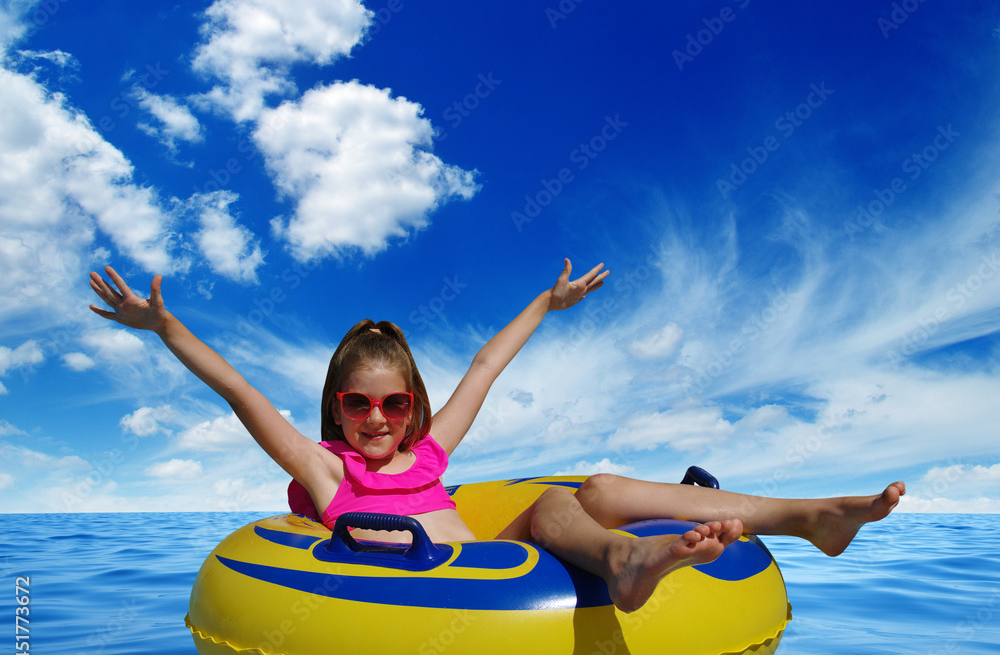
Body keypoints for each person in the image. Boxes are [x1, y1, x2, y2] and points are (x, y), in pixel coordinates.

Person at [89, 261, 905, 613]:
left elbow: (483, 366)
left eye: (396, 404)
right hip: (446, 583)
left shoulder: (431, 453)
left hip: (506, 552)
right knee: (557, 502)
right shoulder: (328, 472)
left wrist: (546, 308)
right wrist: (166, 328)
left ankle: (810, 517)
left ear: (413, 407)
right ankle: (627, 562)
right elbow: (240, 390)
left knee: (604, 489)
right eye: (359, 406)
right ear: (336, 410)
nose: (379, 421)